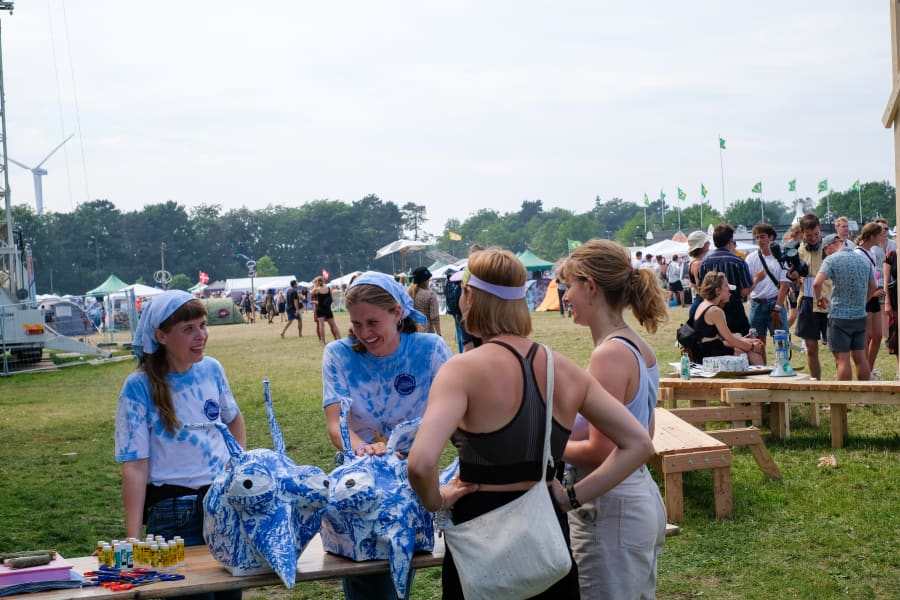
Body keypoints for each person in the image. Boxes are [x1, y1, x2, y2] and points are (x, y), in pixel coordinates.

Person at [407, 248, 655, 600]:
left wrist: (438, 499)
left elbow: (420, 464)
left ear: (469, 296)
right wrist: (571, 498)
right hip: (547, 532)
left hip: (482, 534)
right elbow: (640, 444)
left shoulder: (461, 370)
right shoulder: (564, 368)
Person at [321, 271, 452, 599]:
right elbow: (337, 423)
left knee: (400, 573)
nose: (364, 333)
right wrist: (366, 451)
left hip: (415, 472)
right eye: (356, 324)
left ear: (397, 312)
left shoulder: (430, 350)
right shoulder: (338, 354)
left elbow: (453, 412)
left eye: (372, 322)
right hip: (360, 479)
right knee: (369, 578)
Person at [115, 290, 246, 600]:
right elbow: (134, 465)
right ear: (160, 336)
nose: (200, 335)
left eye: (202, 325)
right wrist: (133, 541)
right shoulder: (138, 387)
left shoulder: (212, 369)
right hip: (173, 516)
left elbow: (234, 420)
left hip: (222, 507)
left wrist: (235, 468)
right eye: (188, 329)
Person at [557, 240, 668, 599]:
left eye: (569, 285)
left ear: (591, 286)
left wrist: (547, 444)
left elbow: (601, 450)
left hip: (609, 508)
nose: (565, 295)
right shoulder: (635, 346)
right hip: (633, 498)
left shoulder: (609, 354)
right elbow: (644, 432)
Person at [814, 233, 876, 381]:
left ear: (831, 245)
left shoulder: (831, 260)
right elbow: (873, 286)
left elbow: (817, 283)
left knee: (842, 360)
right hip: (860, 315)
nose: (826, 253)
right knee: (861, 358)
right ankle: (863, 399)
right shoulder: (863, 259)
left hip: (839, 317)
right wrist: (863, 302)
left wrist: (819, 298)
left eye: (825, 250)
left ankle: (842, 402)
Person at [692, 272, 765, 364]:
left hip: (706, 350)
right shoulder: (715, 311)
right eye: (726, 286)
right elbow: (730, 339)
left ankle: (761, 374)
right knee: (752, 351)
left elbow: (725, 336)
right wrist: (752, 347)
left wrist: (746, 341)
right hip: (711, 353)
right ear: (718, 291)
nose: (729, 291)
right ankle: (762, 376)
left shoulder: (704, 305)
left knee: (744, 342)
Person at [744, 223, 790, 362]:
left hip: (775, 301)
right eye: (757, 237)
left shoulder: (781, 258)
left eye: (762, 237)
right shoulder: (751, 258)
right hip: (757, 303)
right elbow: (747, 287)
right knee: (757, 342)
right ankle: (762, 369)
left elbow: (784, 285)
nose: (759, 240)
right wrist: (757, 280)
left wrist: (777, 308)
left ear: (771, 238)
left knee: (781, 340)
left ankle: (782, 366)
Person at [699, 224, 753, 335]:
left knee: (717, 346)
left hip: (711, 309)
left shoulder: (704, 263)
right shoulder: (738, 262)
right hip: (734, 310)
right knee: (743, 342)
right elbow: (745, 291)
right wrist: (757, 279)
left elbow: (701, 289)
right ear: (730, 241)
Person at [796, 213, 831, 380]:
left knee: (837, 348)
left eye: (816, 234)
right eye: (809, 235)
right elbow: (796, 276)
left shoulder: (829, 247)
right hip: (807, 301)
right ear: (802, 232)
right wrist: (795, 276)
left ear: (820, 229)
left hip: (828, 300)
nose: (813, 238)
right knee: (810, 347)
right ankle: (816, 384)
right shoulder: (798, 249)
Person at [854, 223, 887, 372]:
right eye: (879, 234)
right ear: (872, 236)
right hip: (865, 297)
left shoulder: (872, 252)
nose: (882, 237)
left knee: (878, 335)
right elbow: (859, 279)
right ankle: (864, 371)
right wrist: (872, 292)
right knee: (867, 336)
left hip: (874, 295)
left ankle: (869, 369)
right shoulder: (858, 253)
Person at [408, 266, 442, 335]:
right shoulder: (431, 294)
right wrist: (439, 335)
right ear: (426, 280)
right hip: (427, 332)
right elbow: (435, 318)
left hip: (413, 332)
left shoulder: (409, 293)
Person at [310, 276, 341, 344]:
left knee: (321, 325)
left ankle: (323, 341)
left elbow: (311, 293)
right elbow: (332, 299)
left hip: (320, 309)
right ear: (323, 281)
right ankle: (339, 338)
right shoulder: (329, 289)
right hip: (328, 308)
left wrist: (315, 286)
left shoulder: (316, 289)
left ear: (317, 282)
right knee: (333, 325)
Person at [686, 230, 710, 313]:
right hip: (702, 303)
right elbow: (701, 288)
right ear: (701, 245)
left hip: (700, 303)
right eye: (706, 241)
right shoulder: (698, 263)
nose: (709, 243)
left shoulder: (694, 262)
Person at [884, 247, 898, 356]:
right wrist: (887, 301)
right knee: (897, 337)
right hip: (896, 301)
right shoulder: (891, 255)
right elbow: (886, 280)